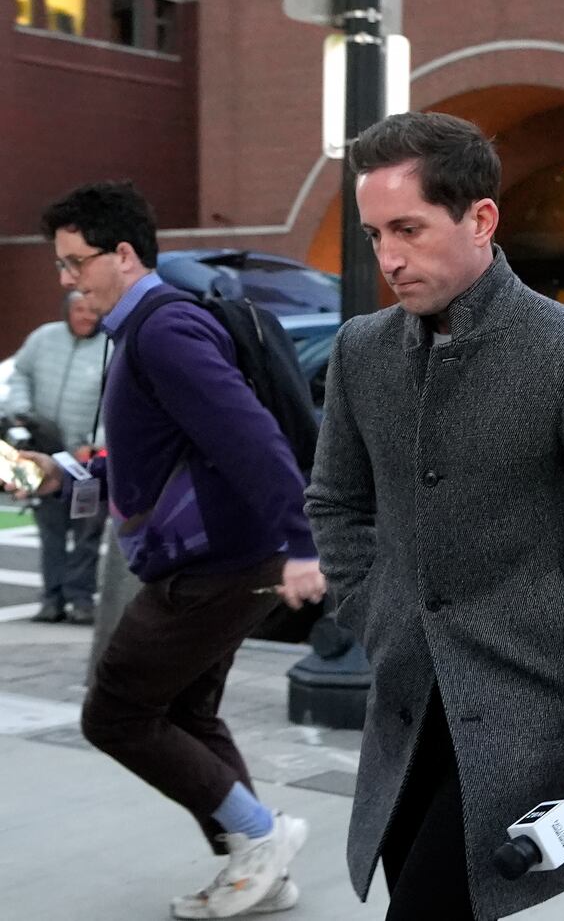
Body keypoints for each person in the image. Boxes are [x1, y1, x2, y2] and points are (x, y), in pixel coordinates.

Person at [304, 112, 564, 921]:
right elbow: (335, 501)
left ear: (480, 219)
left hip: (530, 710)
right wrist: (371, 610)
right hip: (406, 702)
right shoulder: (362, 351)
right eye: (374, 235)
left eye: (408, 228)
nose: (389, 257)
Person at [3, 182, 326, 919]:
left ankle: (263, 835)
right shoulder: (140, 330)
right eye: (60, 265)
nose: (66, 280)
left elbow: (252, 439)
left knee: (113, 713)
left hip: (210, 564)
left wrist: (303, 544)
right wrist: (61, 474)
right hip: (223, 556)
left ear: (124, 253)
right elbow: (153, 460)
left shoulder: (162, 331)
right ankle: (261, 865)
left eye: (75, 262)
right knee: (186, 710)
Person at [6, 290, 109, 623]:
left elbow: (120, 402)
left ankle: (81, 601)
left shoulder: (112, 346)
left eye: (91, 309)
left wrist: (97, 443)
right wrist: (21, 410)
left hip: (87, 460)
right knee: (49, 532)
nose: (86, 316)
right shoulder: (42, 338)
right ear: (66, 311)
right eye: (79, 309)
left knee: (86, 533)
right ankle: (51, 600)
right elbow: (19, 374)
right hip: (40, 451)